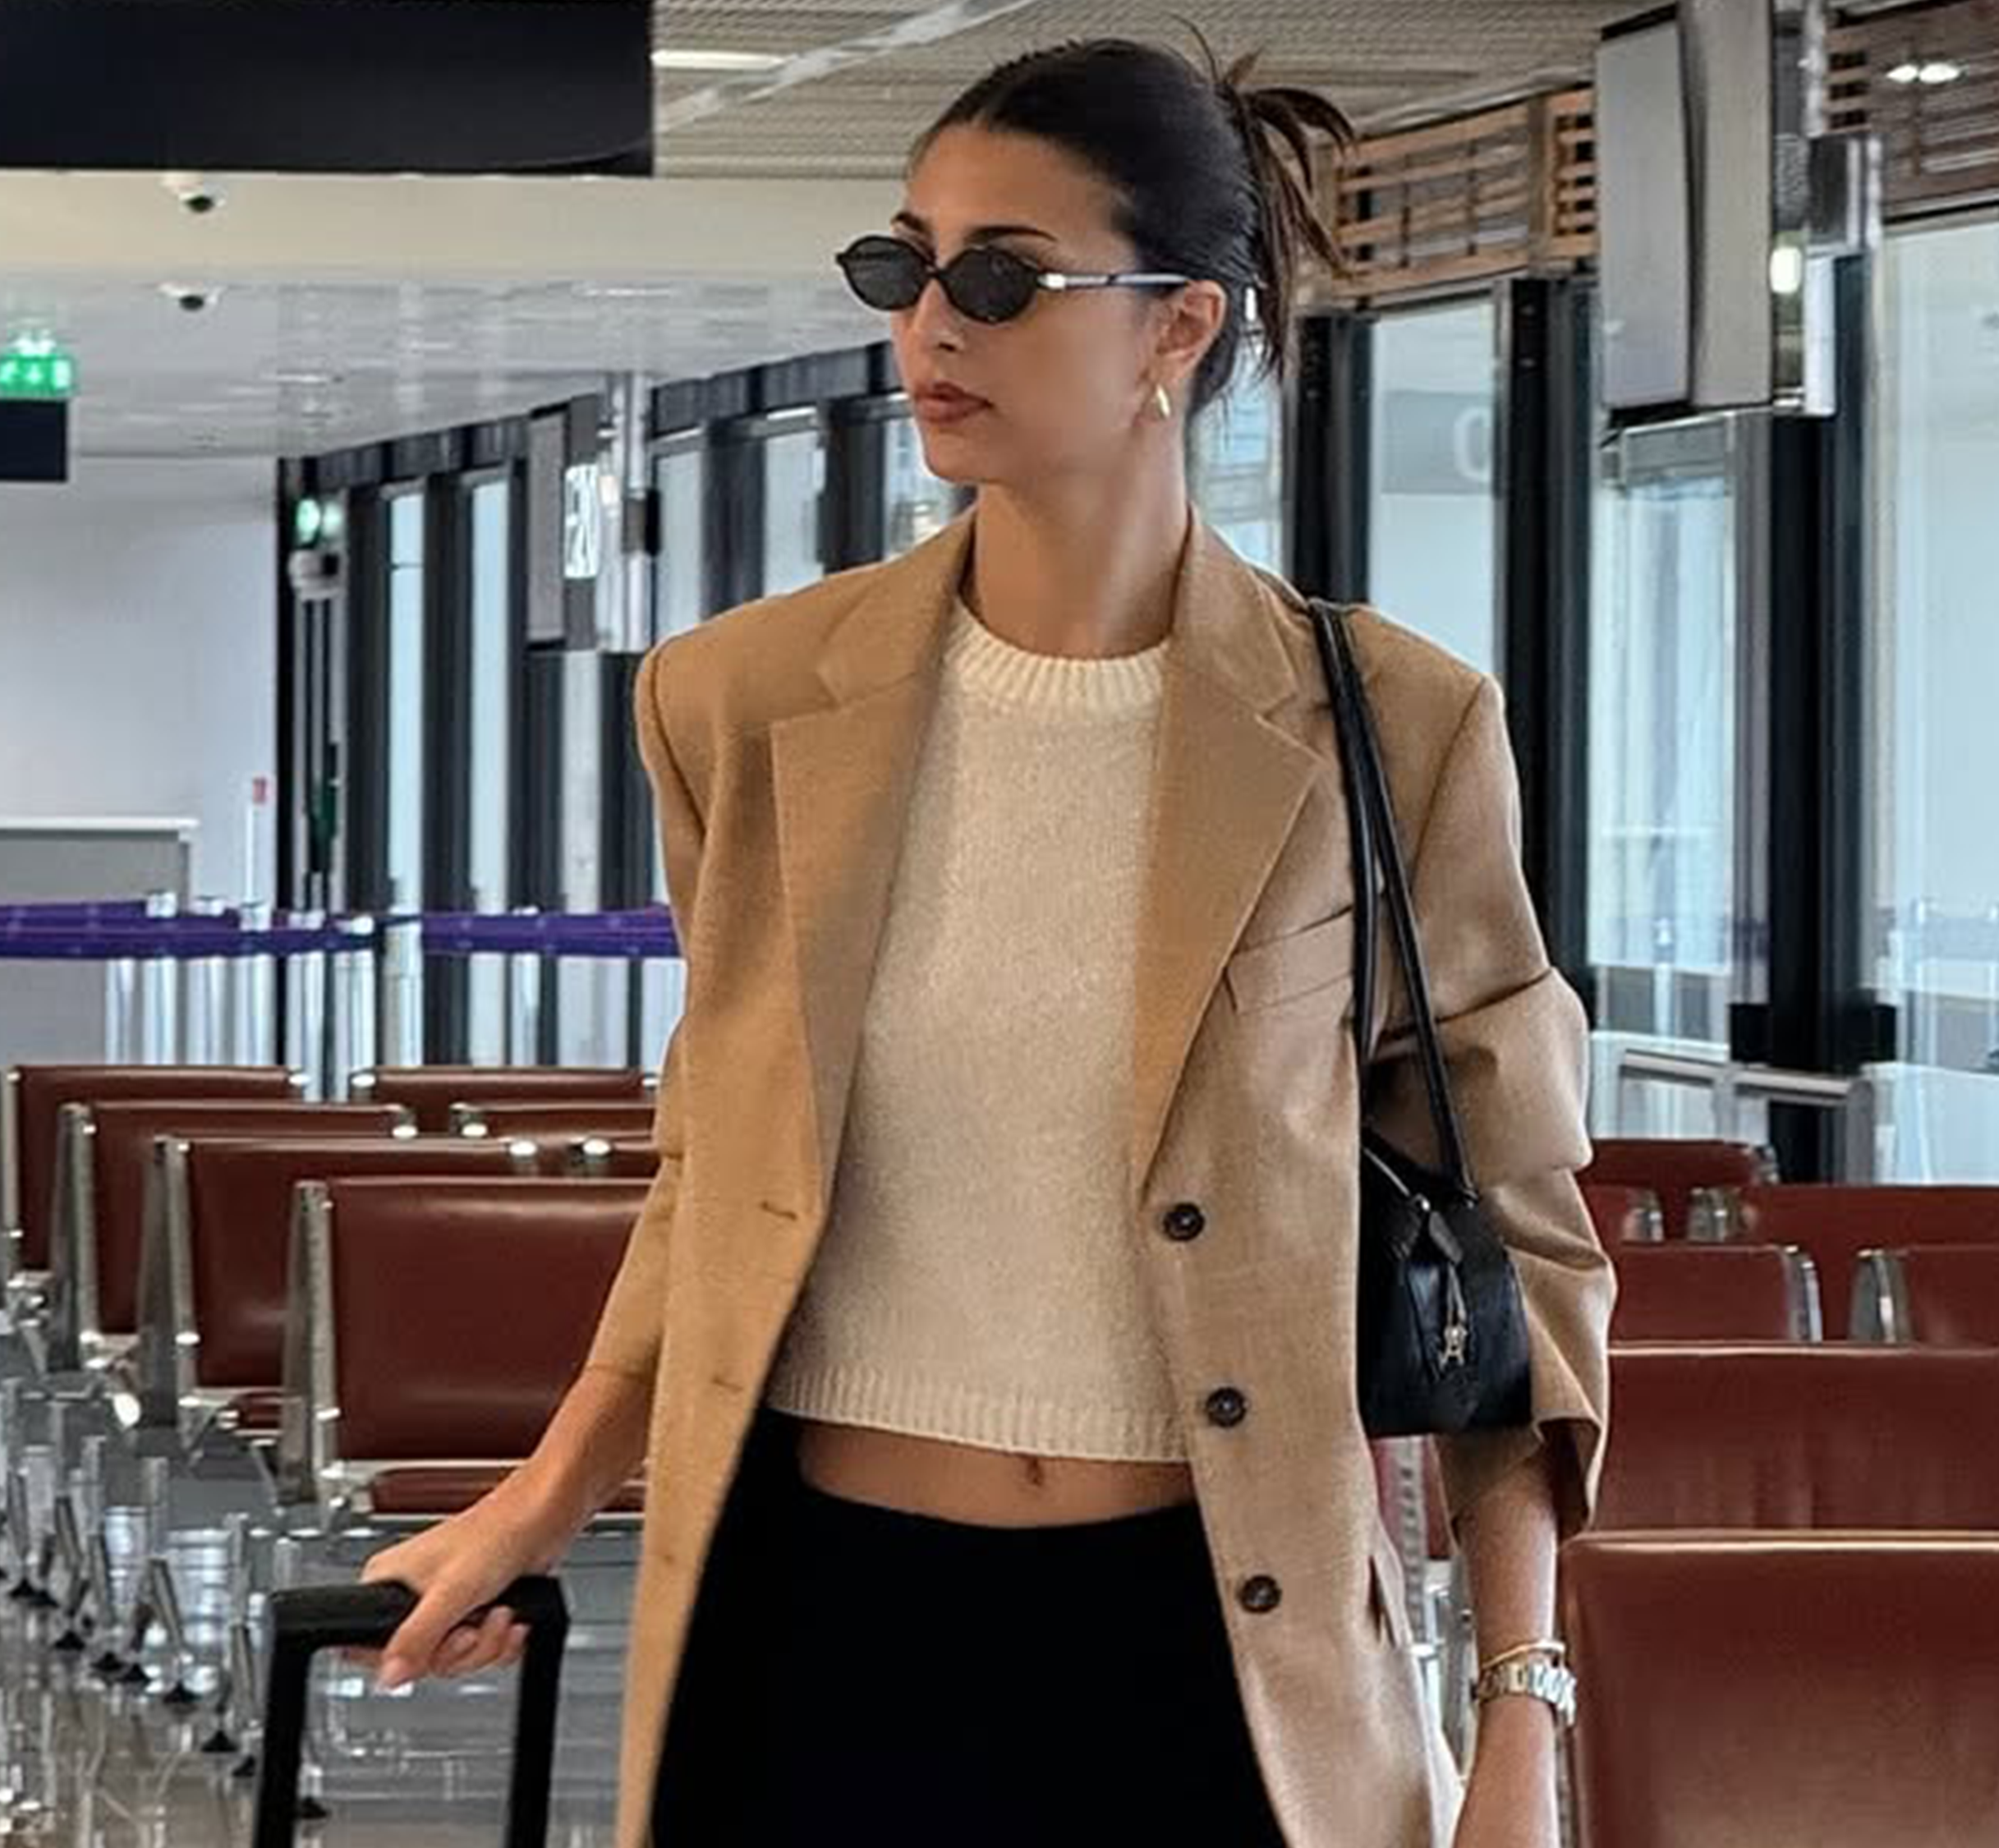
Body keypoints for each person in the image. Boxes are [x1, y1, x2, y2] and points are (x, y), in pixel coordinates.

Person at [361, 36, 1613, 1848]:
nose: (929, 324)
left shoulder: (1391, 728)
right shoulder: (742, 703)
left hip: (1218, 1654)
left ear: (1177, 331)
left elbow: (1512, 1250)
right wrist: (543, 1498)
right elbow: (719, 1169)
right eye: (903, 267)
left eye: (1000, 278)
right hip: (813, 1628)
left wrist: (1519, 1714)